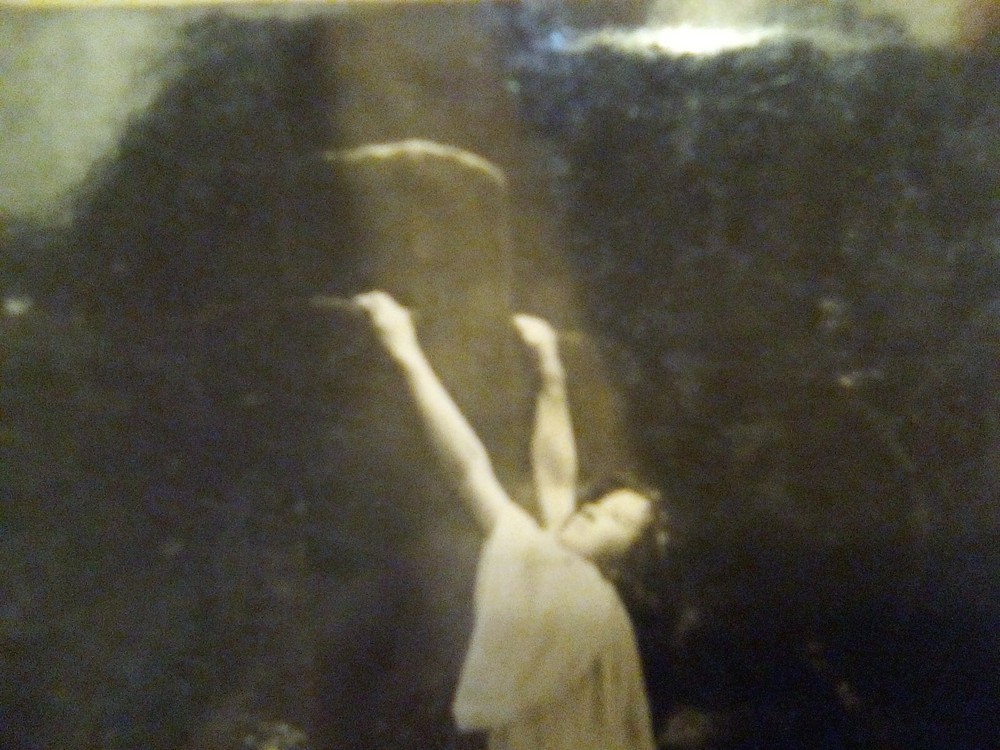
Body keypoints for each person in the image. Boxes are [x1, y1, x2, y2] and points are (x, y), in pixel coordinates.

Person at [355, 290, 658, 750]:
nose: (592, 509)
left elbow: (468, 468)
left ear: (624, 564)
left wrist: (405, 349)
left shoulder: (570, 585)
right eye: (600, 502)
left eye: (616, 519)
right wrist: (550, 370)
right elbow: (557, 479)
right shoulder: (580, 588)